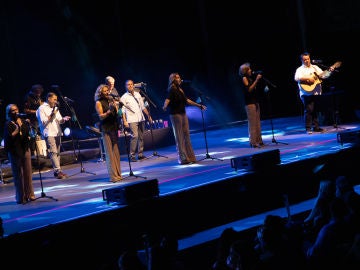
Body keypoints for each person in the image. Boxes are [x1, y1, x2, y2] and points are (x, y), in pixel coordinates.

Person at [162, 72, 206, 165]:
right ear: (173, 80)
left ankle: (191, 157)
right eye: (177, 78)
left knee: (187, 136)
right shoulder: (172, 90)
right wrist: (165, 106)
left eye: (179, 77)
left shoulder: (180, 89)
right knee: (179, 137)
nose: (179, 79)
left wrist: (199, 105)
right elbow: (167, 100)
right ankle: (182, 159)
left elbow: (187, 100)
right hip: (175, 115)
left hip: (183, 114)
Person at [294, 52, 334, 134]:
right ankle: (308, 128)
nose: (307, 61)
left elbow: (323, 76)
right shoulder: (300, 69)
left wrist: (330, 71)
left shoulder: (315, 67)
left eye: (308, 59)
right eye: (305, 60)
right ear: (301, 60)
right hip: (306, 93)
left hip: (316, 91)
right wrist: (308, 78)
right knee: (309, 110)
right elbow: (296, 78)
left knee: (316, 109)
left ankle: (316, 127)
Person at [3, 104, 35, 204]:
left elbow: (27, 135)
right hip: (15, 152)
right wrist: (17, 130)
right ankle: (20, 197)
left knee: (28, 173)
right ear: (9, 113)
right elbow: (8, 139)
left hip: (25, 149)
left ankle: (30, 194)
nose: (15, 112)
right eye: (13, 110)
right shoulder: (8, 124)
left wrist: (28, 126)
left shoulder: (22, 121)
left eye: (16, 109)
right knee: (18, 175)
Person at [36, 92, 71, 179]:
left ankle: (57, 171)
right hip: (49, 132)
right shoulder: (41, 108)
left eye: (56, 99)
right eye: (54, 99)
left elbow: (59, 120)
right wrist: (53, 113)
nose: (56, 101)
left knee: (57, 152)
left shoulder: (55, 108)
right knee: (53, 152)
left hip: (57, 132)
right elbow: (44, 121)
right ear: (49, 98)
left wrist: (64, 119)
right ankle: (58, 171)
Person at [94, 84, 123, 182]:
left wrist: (118, 108)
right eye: (105, 91)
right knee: (109, 153)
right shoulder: (99, 102)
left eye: (107, 91)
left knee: (116, 152)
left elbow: (117, 114)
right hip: (106, 128)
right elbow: (101, 116)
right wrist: (109, 112)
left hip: (114, 127)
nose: (107, 92)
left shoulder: (111, 100)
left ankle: (119, 174)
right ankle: (113, 176)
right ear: (100, 93)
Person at [120, 79, 152, 162]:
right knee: (135, 136)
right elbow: (122, 110)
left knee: (141, 136)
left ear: (133, 85)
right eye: (128, 84)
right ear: (125, 86)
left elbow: (142, 106)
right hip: (132, 119)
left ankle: (140, 154)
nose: (130, 86)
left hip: (141, 118)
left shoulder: (138, 94)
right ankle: (132, 155)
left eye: (131, 84)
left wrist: (148, 115)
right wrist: (124, 120)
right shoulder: (124, 97)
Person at [238, 62, 265, 148]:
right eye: (249, 69)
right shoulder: (244, 78)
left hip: (255, 102)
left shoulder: (250, 78)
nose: (251, 70)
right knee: (253, 123)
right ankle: (253, 142)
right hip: (249, 103)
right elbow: (249, 89)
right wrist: (257, 80)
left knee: (257, 123)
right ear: (245, 71)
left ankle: (259, 140)